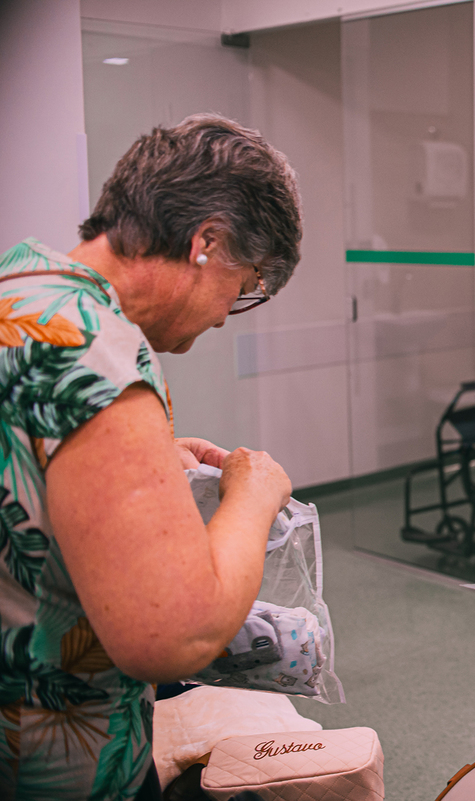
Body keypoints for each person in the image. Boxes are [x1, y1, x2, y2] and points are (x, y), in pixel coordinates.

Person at [0, 114, 303, 800]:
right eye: (244, 283)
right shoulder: (98, 359)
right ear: (206, 243)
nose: (229, 313)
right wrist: (251, 497)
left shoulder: (23, 287)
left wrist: (144, 458)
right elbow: (174, 637)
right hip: (56, 761)